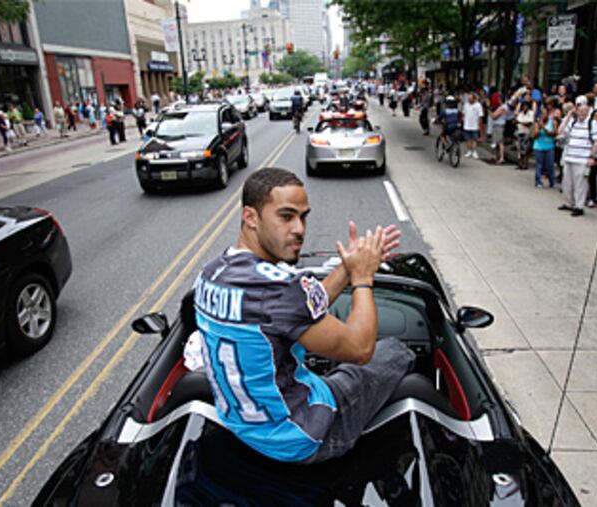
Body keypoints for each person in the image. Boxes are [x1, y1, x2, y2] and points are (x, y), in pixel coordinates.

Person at [193, 168, 414, 463]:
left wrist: (347, 268)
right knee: (396, 352)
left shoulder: (210, 274)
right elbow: (360, 350)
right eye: (286, 217)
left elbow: (298, 307)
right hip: (304, 436)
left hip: (243, 427)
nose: (299, 228)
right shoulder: (283, 287)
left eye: (303, 216)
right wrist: (362, 277)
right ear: (250, 217)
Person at [557, 103, 597, 216]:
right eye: (580, 111)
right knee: (567, 182)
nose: (582, 113)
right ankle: (567, 203)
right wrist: (568, 116)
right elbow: (561, 130)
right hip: (569, 156)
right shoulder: (573, 122)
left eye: (585, 111)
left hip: (582, 159)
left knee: (580, 184)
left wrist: (592, 157)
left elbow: (596, 142)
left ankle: (579, 206)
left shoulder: (592, 124)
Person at [533, 97, 559, 188]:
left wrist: (543, 127)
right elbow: (535, 136)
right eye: (541, 114)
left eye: (544, 114)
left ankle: (552, 181)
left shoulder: (553, 122)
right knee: (539, 165)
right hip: (539, 146)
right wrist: (539, 130)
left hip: (549, 146)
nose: (543, 116)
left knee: (550, 165)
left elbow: (554, 133)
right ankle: (538, 181)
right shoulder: (537, 123)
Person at [514, 93, 535, 169]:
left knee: (525, 149)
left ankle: (525, 164)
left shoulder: (531, 113)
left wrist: (520, 122)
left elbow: (529, 123)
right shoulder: (521, 114)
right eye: (523, 107)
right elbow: (516, 121)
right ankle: (520, 163)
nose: (524, 108)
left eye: (525, 106)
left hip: (526, 133)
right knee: (519, 149)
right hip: (519, 131)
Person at [462, 92, 483, 159]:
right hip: (467, 125)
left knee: (474, 139)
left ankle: (474, 151)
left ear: (474, 99)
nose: (469, 99)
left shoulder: (478, 105)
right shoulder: (466, 105)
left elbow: (480, 116)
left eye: (470, 98)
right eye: (468, 98)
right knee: (468, 139)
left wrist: (479, 125)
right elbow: (463, 113)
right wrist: (463, 120)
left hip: (475, 125)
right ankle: (469, 151)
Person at [490, 98, 508, 164]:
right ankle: (495, 156)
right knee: (495, 141)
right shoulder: (500, 107)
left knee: (500, 142)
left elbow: (494, 116)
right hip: (496, 125)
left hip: (499, 125)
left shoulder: (503, 107)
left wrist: (493, 113)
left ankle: (501, 157)